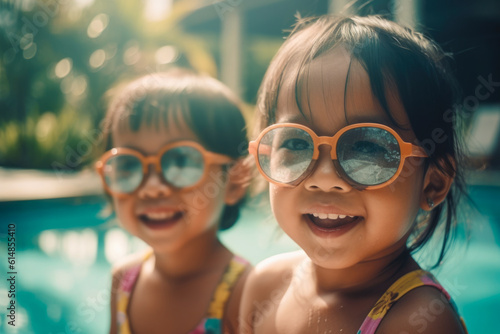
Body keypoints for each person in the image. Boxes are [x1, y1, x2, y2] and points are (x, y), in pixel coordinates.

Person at [240, 15, 468, 333]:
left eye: (366, 148)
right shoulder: (264, 287)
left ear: (433, 183)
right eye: (296, 142)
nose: (324, 177)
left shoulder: (418, 322)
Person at [96, 68, 252, 334]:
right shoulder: (123, 281)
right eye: (128, 164)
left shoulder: (248, 291)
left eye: (180, 161)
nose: (152, 188)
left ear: (234, 181)